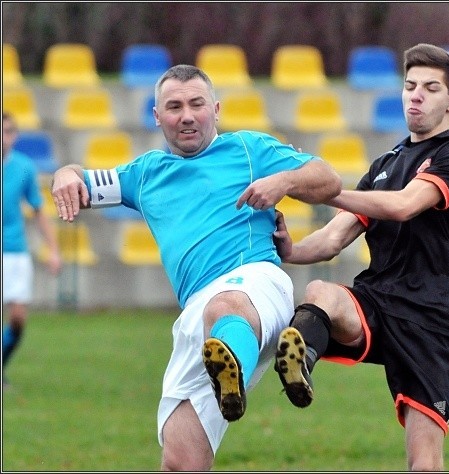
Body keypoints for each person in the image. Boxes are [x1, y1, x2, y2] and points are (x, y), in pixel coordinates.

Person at [50, 64, 341, 471]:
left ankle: (233, 366)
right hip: (197, 316)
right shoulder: (146, 174)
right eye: (173, 106)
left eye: (196, 104)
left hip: (255, 285)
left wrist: (285, 182)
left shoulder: (248, 149)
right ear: (157, 116)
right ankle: (226, 372)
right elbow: (82, 180)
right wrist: (65, 174)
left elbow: (329, 178)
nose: (186, 115)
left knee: (224, 307)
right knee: (180, 460)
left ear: (215, 109)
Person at [272, 43, 449, 471]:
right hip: (378, 301)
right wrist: (290, 249)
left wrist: (318, 188)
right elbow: (333, 239)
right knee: (321, 292)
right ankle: (297, 368)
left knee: (423, 464)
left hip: (431, 319)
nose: (416, 95)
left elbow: (405, 205)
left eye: (430, 88)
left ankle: (297, 356)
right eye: (410, 86)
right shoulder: (385, 163)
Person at [2, 112, 62, 389]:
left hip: (15, 250)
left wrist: (53, 249)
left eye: (9, 131)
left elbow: (38, 211)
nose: (5, 138)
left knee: (17, 320)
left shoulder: (24, 167)